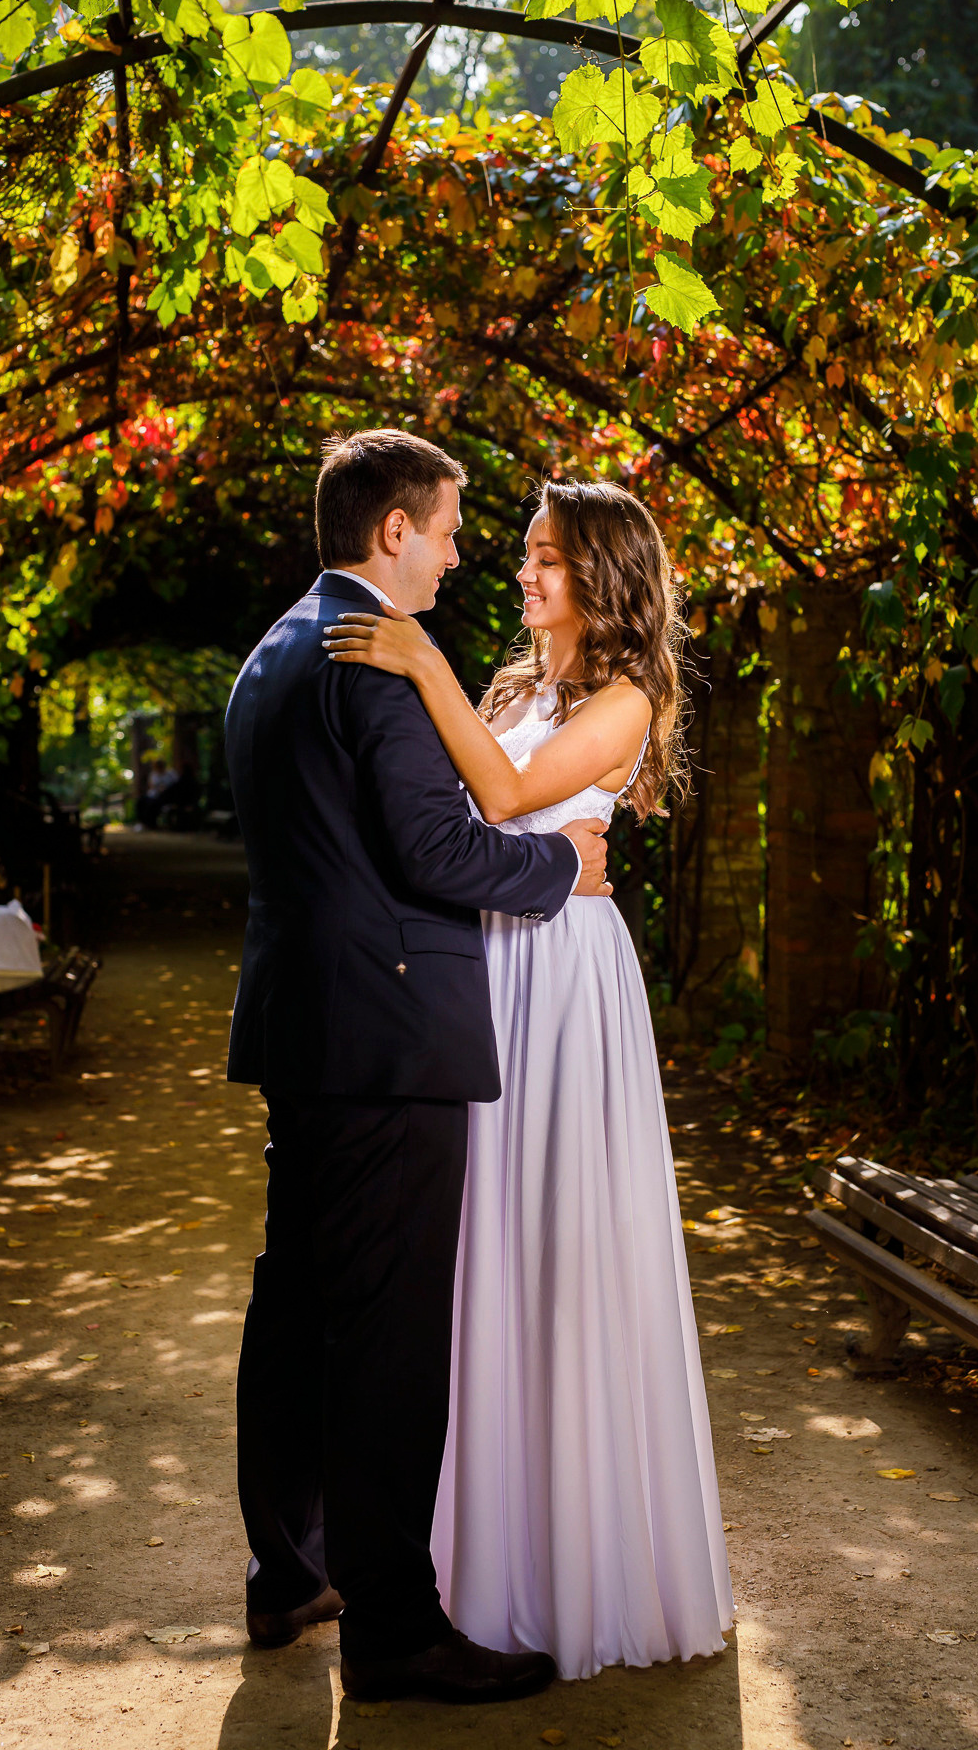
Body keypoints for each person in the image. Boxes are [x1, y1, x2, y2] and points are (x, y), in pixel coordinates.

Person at [224, 430, 612, 1705]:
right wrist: (563, 871)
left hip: (303, 1031)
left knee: (297, 1308)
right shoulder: (374, 665)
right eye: (447, 530)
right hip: (388, 1042)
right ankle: (393, 1630)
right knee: (387, 1332)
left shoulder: (273, 651)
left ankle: (288, 1574)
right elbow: (435, 858)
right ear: (392, 529)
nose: (458, 553)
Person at [324, 477, 735, 1681]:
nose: (521, 574)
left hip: (562, 983)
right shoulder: (514, 685)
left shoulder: (628, 698)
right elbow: (456, 822)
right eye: (518, 555)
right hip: (484, 964)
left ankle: (575, 1568)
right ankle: (465, 1562)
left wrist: (415, 659)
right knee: (476, 1249)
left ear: (602, 574)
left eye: (546, 559)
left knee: (558, 1245)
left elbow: (503, 796)